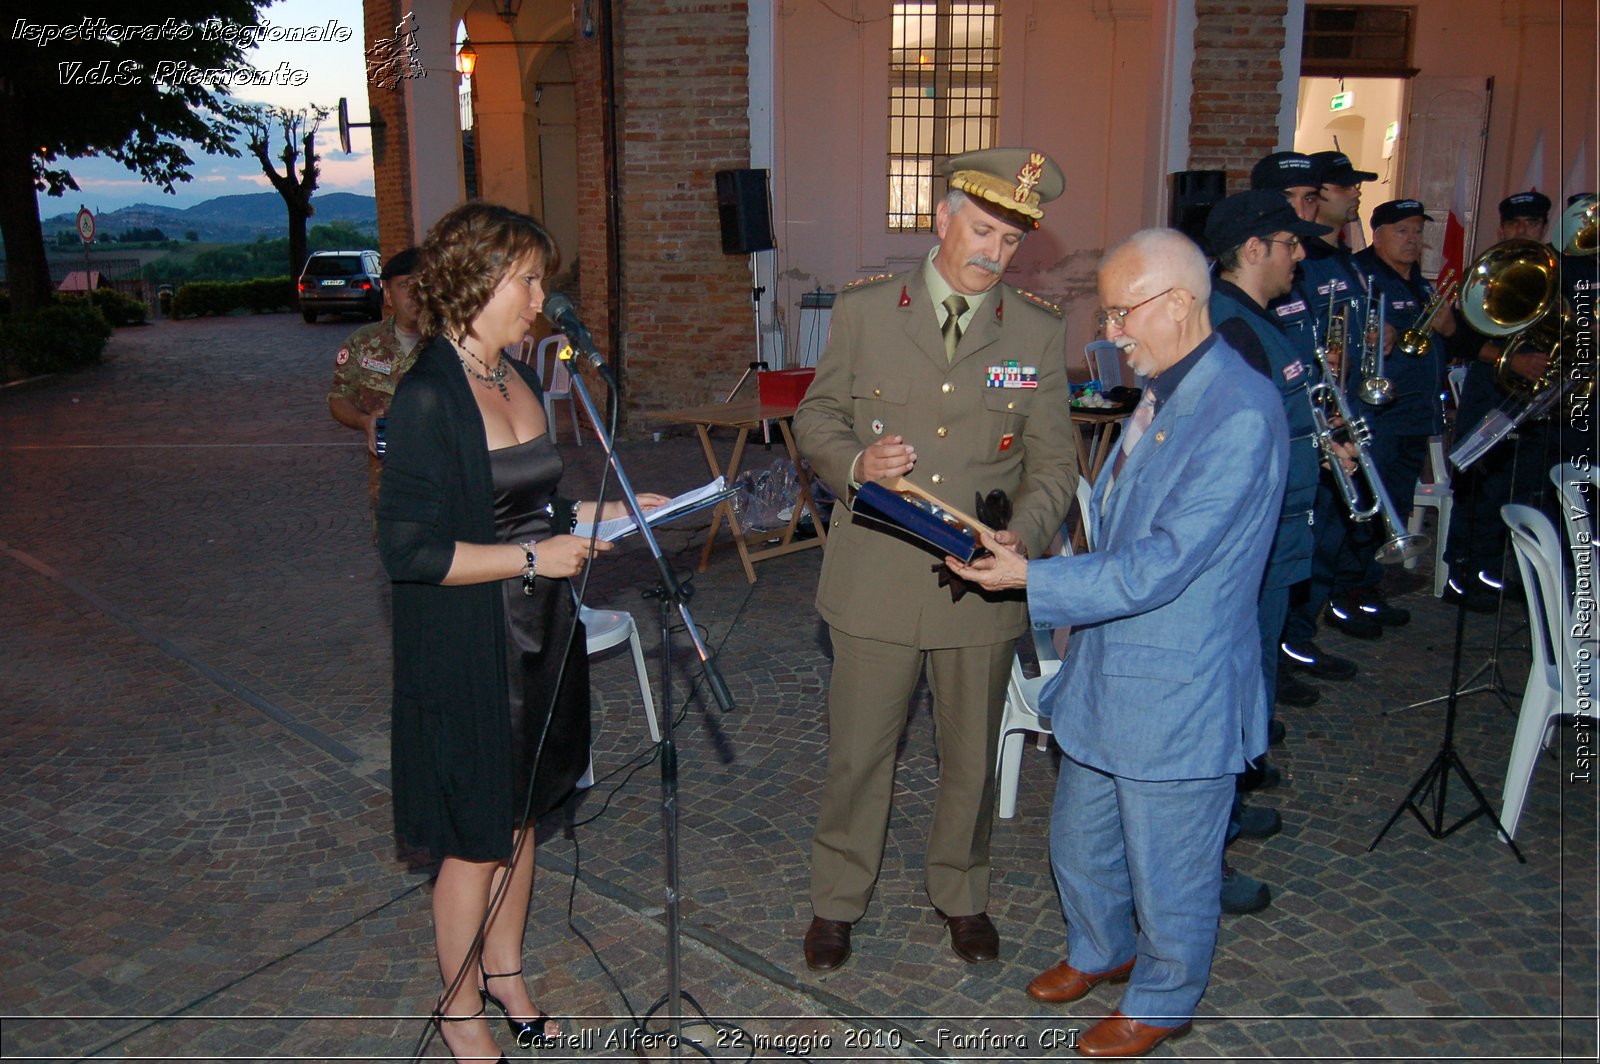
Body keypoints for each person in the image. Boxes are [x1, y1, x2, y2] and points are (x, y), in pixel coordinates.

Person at [948, 228, 1288, 1059]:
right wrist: (1037, 557)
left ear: (1178, 302)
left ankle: (1166, 996)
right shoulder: (1167, 388)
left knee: (1170, 864)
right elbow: (1118, 521)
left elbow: (1166, 564)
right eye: (1106, 316)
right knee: (1080, 836)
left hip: (1178, 685)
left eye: (1122, 314)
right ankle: (1104, 950)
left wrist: (1034, 584)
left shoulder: (1238, 411)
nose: (1111, 335)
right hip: (1110, 666)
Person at [376, 202, 666, 1063]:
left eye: (543, 279)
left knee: (525, 811)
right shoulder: (428, 394)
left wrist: (620, 511)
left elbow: (541, 509)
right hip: (470, 642)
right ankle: (459, 1008)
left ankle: (504, 970)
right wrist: (537, 561)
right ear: (476, 280)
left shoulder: (520, 379)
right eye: (528, 279)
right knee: (477, 834)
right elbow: (411, 550)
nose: (542, 298)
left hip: (538, 631)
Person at [793, 148, 1078, 972]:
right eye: (982, 229)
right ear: (942, 217)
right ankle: (838, 899)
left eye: (1011, 239)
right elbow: (817, 419)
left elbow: (1054, 462)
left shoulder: (1036, 329)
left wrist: (1026, 529)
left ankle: (962, 891)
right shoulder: (868, 310)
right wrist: (854, 464)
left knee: (971, 755)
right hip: (877, 573)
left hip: (980, 584)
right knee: (859, 751)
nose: (994, 251)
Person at [1204, 190, 1333, 915]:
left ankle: (1229, 803)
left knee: (1252, 686)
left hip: (1279, 535)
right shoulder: (1232, 330)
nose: (1300, 255)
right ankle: (1204, 847)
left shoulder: (1257, 320)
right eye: (1290, 243)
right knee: (1231, 691)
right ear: (1253, 249)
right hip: (1254, 543)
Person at [1280, 150, 1389, 683]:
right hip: (1305, 426)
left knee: (1325, 536)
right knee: (1305, 543)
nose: (1353, 196)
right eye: (1341, 188)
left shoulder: (1341, 258)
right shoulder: (1302, 266)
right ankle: (1289, 642)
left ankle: (1299, 634)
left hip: (1334, 417)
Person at [1446, 190, 1561, 608]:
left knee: (1526, 484)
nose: (1522, 230)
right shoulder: (1487, 272)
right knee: (1480, 482)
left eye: (1532, 223)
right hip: (1491, 388)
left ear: (1544, 227)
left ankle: (1498, 570)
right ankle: (1463, 572)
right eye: (1514, 224)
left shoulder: (1557, 270)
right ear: (1501, 227)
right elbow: (1461, 336)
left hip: (1539, 395)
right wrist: (1513, 362)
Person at [1352, 199, 1455, 583]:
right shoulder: (1362, 275)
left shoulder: (1423, 284)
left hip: (1415, 415)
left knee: (1395, 502)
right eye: (1402, 231)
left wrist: (1449, 328)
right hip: (1381, 416)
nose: (1412, 239)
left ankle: (1373, 584)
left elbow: (1451, 341)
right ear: (1378, 237)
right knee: (1370, 503)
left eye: (1417, 231)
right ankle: (1352, 590)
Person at [328, 247, 424, 517]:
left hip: (445, 479)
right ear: (388, 292)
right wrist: (364, 421)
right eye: (405, 285)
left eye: (422, 286)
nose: (415, 295)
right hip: (387, 480)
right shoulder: (362, 343)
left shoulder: (451, 345)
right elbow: (339, 397)